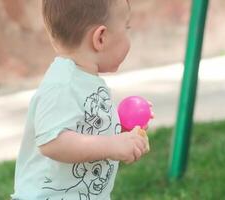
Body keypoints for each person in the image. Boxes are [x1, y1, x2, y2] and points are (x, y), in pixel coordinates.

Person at [11, 0, 153, 199]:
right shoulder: (62, 85)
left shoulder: (83, 80)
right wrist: (112, 145)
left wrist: (124, 133)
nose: (129, 35)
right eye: (126, 28)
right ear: (101, 38)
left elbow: (85, 132)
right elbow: (52, 142)